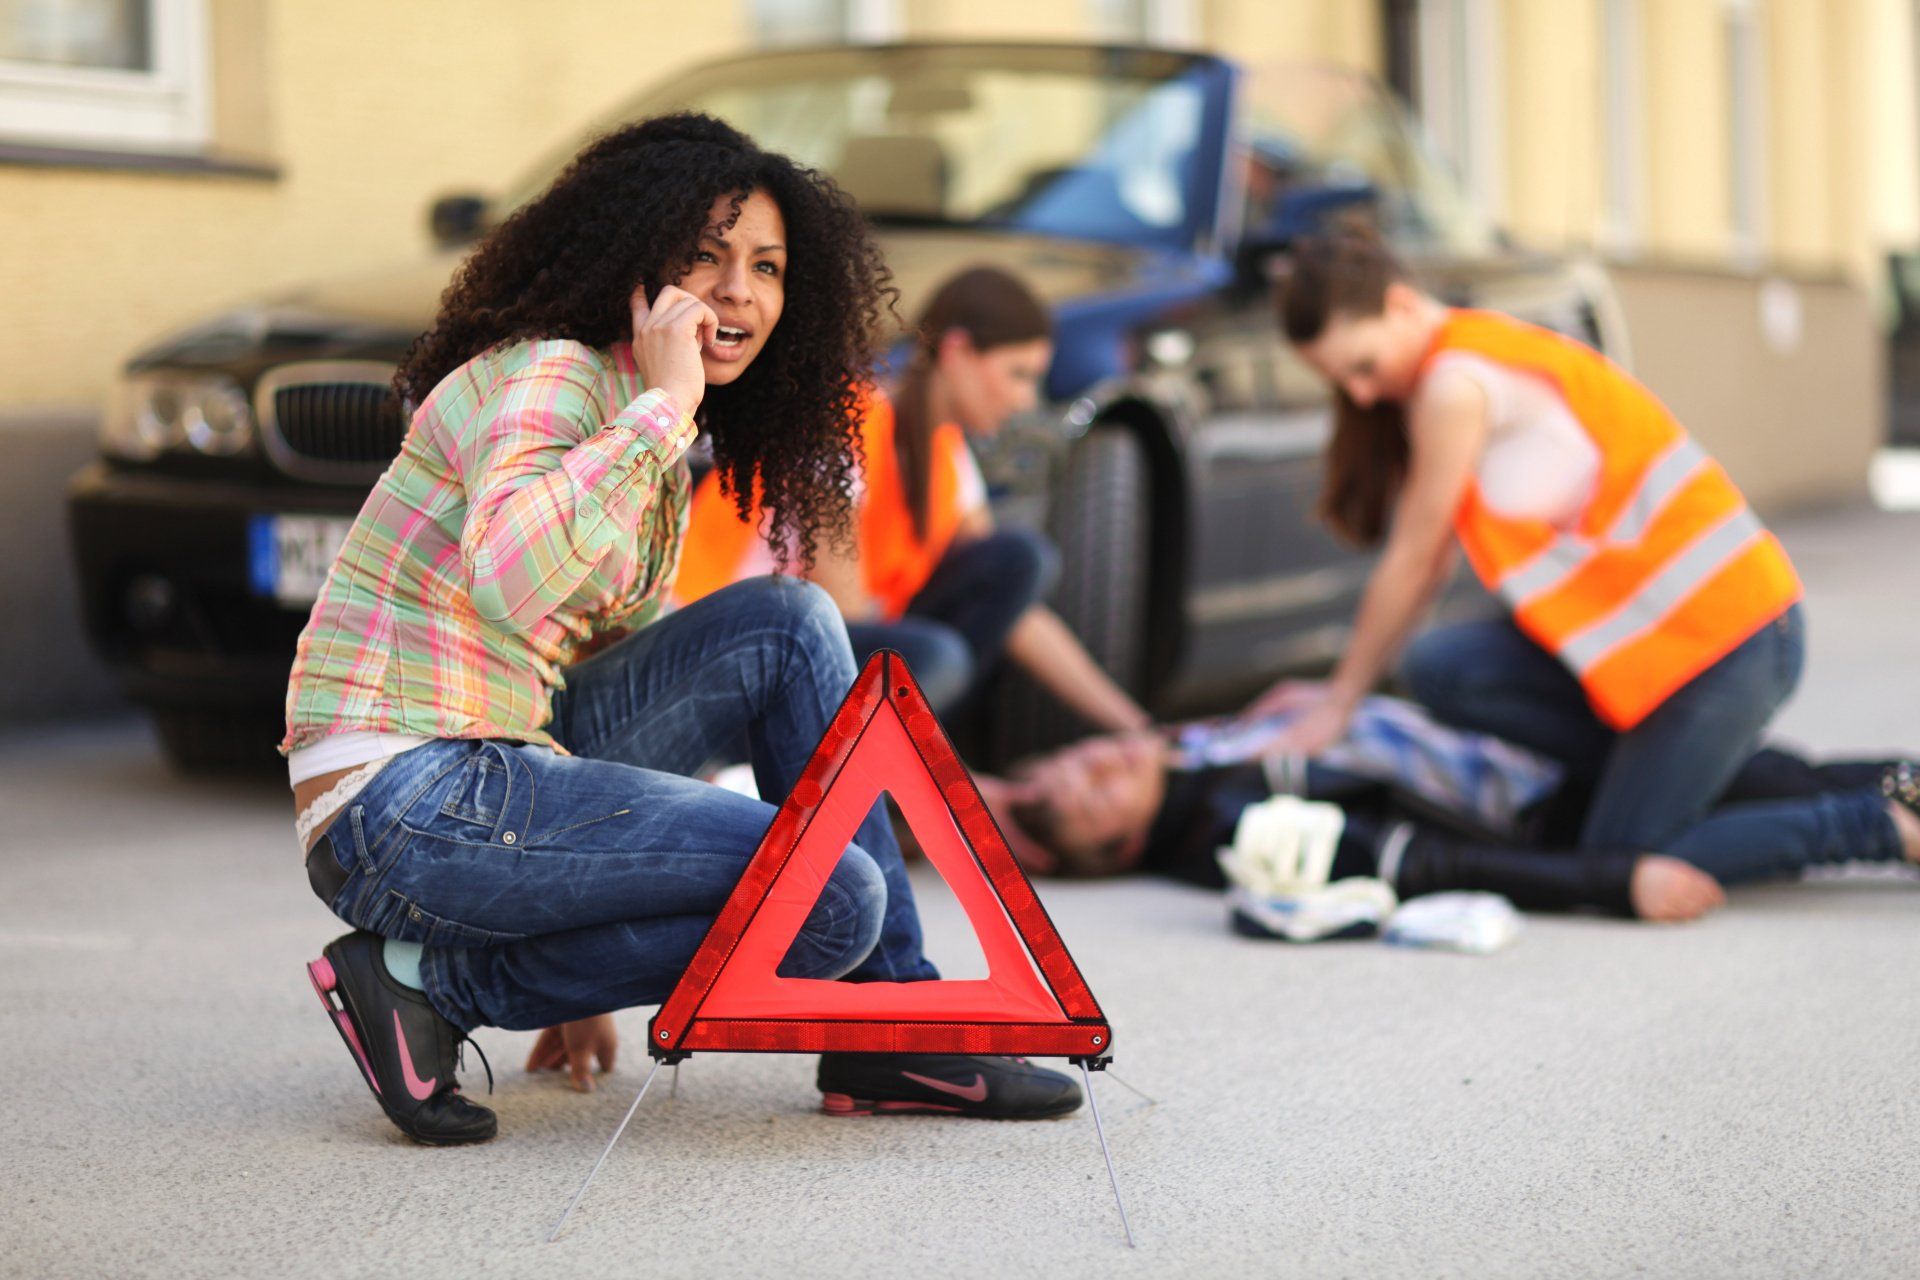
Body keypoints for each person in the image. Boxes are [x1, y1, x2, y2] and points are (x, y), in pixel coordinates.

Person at [286, 115, 1082, 1146]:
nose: (739, 290)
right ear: (633, 263)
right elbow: (511, 579)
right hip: (403, 794)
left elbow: (612, 671)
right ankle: (428, 983)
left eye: (766, 265)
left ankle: (894, 1024)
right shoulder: (553, 379)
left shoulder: (645, 415)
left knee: (792, 623)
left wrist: (594, 927)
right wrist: (664, 407)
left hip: (504, 754)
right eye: (704, 257)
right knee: (831, 894)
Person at [1241, 226, 1920, 880]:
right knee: (1442, 667)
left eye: (1363, 366)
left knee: (1623, 855)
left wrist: (1340, 702)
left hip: (1728, 644)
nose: (1361, 393)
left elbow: (1418, 559)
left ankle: (1882, 828)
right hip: (1656, 653)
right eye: (1341, 382)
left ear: (1400, 303)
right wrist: (1342, 695)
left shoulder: (1456, 385)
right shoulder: (1479, 349)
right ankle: (1905, 782)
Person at [673, 265, 1149, 731]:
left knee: (1020, 561)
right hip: (724, 650)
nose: (1026, 400)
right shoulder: (845, 424)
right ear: (958, 351)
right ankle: (899, 776)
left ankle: (910, 768)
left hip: (807, 647)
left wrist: (1132, 724)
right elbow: (842, 615)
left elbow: (1016, 613)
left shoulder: (947, 452)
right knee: (935, 659)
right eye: (1019, 374)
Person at [979, 724, 1919, 921]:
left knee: (1780, 769)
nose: (1093, 760)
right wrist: (1612, 886)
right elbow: (1423, 863)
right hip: (1551, 812)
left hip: (1541, 752)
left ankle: (1900, 794)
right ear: (1120, 850)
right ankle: (1889, 829)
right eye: (1087, 793)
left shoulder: (1206, 754)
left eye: (1066, 754)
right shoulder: (1242, 828)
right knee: (1779, 810)